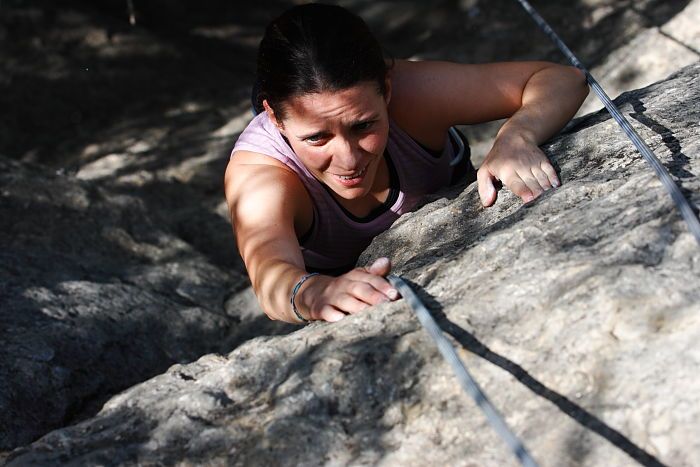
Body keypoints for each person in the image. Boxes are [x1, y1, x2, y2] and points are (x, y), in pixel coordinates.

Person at [224, 3, 589, 324]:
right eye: (317, 138)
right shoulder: (260, 174)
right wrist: (312, 293)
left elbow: (562, 79)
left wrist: (516, 136)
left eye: (363, 125)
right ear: (273, 117)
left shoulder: (412, 95)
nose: (349, 158)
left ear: (387, 88)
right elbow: (271, 277)